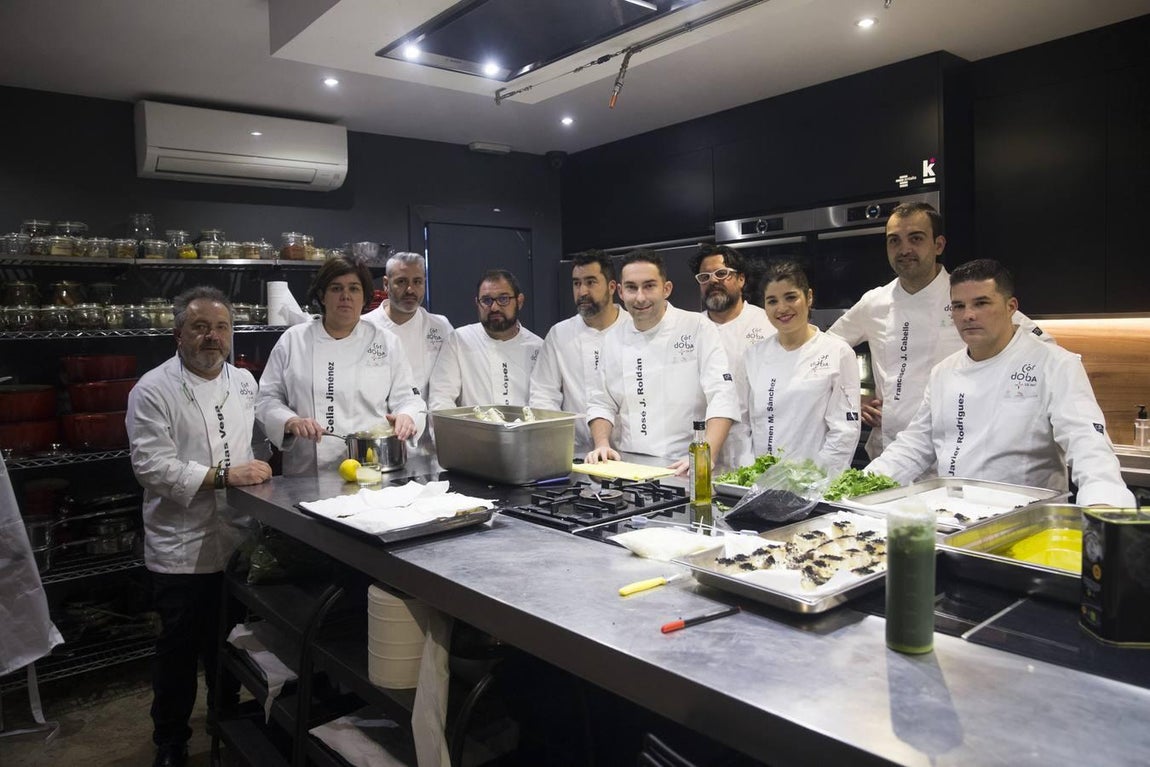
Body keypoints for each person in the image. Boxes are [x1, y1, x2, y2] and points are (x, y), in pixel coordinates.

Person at [125, 286, 273, 767]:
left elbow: (254, 446)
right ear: (178, 334)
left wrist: (265, 465)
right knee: (177, 656)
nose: (213, 337)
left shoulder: (245, 383)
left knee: (228, 647)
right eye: (201, 327)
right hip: (179, 548)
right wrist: (225, 477)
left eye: (222, 327)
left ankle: (224, 723)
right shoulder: (152, 389)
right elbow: (151, 467)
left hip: (235, 539)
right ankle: (170, 741)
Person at [867, 260, 1135, 506]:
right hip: (955, 517)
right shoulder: (943, 373)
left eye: (981, 303)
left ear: (1011, 307)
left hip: (1027, 523)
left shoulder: (1053, 363)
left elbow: (1088, 443)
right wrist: (862, 485)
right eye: (958, 306)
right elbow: (915, 446)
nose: (967, 315)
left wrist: (1104, 506)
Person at [829, 201, 1052, 462]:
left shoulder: (967, 295)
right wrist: (853, 397)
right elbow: (825, 350)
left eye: (916, 238)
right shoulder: (874, 302)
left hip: (961, 451)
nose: (904, 250)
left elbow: (1044, 347)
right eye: (894, 241)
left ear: (938, 245)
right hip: (892, 452)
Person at [257, 256, 425, 476]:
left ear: (364, 296)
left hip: (370, 468)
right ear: (322, 296)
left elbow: (409, 398)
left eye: (354, 289)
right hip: (306, 472)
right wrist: (289, 421)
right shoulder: (293, 341)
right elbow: (267, 399)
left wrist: (407, 416)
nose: (345, 296)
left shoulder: (386, 341)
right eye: (336, 288)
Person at [586, 250, 739, 474]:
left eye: (649, 286)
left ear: (666, 289)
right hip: (629, 465)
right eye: (631, 287)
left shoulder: (696, 327)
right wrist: (601, 444)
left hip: (684, 466)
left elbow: (722, 395)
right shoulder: (612, 339)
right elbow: (601, 402)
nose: (640, 297)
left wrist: (705, 456)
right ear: (620, 291)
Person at [743, 261, 860, 475]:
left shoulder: (837, 353)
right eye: (772, 301)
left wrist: (815, 480)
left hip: (815, 484)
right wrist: (750, 474)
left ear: (809, 297)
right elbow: (745, 425)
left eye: (791, 297)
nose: (782, 308)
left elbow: (844, 431)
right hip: (761, 483)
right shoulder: (754, 355)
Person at [529, 250, 630, 453]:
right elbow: (544, 395)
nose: (582, 291)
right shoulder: (560, 334)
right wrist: (553, 445)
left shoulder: (633, 328)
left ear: (612, 287)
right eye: (576, 283)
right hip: (575, 452)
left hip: (628, 450)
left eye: (591, 282)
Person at [690, 244, 776, 468]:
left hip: (756, 448)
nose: (713, 281)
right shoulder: (691, 329)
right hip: (699, 449)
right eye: (704, 276)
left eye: (721, 273)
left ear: (741, 279)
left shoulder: (768, 324)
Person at [362, 251, 453, 453]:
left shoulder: (441, 326)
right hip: (382, 439)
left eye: (417, 282)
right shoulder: (364, 327)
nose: (410, 289)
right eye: (401, 282)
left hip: (430, 444)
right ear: (386, 284)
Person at [427, 269, 543, 411]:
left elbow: (545, 402)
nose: (494, 307)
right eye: (486, 300)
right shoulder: (458, 341)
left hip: (526, 431)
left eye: (503, 299)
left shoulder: (538, 348)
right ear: (477, 303)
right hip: (471, 432)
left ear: (519, 301)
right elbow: (441, 398)